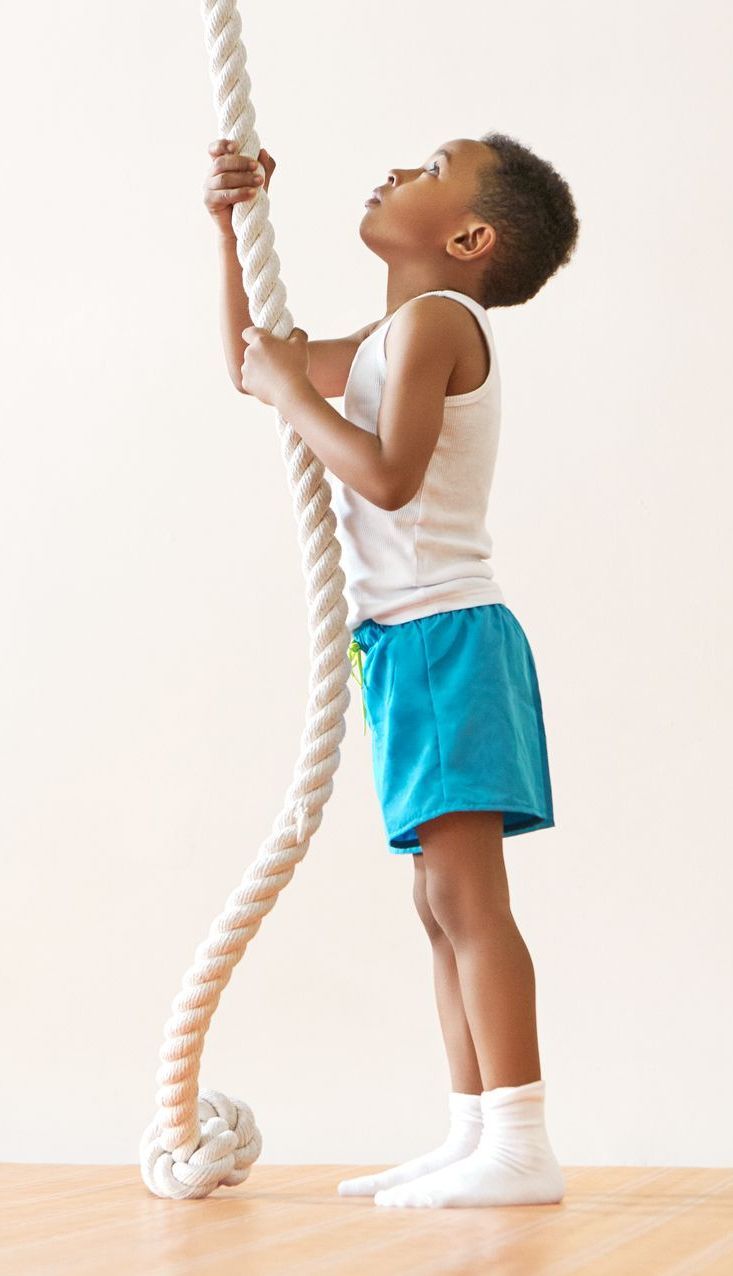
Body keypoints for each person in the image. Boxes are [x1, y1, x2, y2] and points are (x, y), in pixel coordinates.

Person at [203, 132, 579, 1209]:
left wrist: (289, 390)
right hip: (414, 648)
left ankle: (518, 1136)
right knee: (438, 901)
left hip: (444, 639)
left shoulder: (435, 323)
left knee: (467, 901)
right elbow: (251, 364)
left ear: (466, 237)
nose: (394, 169)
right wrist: (232, 232)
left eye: (428, 167)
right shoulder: (395, 331)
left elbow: (386, 477)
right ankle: (474, 1132)